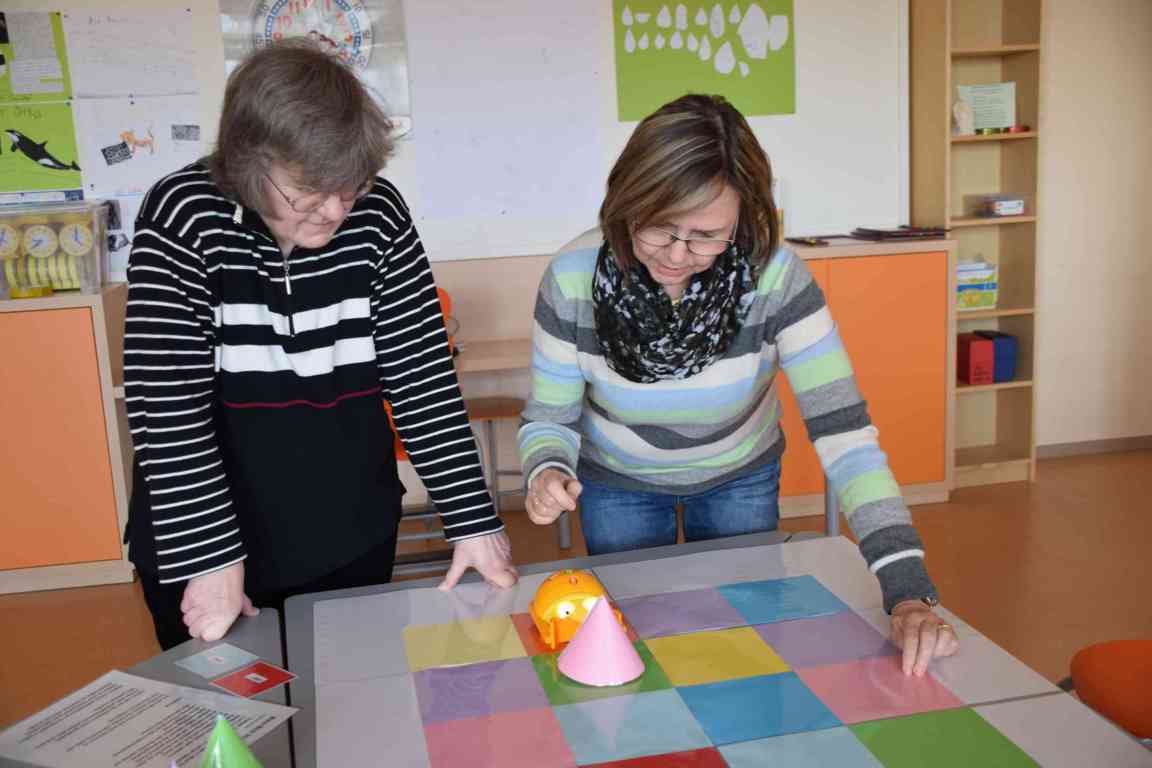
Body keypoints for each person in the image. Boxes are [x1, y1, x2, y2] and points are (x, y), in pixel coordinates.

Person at [519, 94, 958, 676]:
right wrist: (547, 468)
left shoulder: (774, 276)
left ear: (744, 219)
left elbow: (847, 437)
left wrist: (907, 589)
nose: (677, 256)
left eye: (706, 235)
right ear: (625, 202)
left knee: (744, 647)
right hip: (617, 484)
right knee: (630, 646)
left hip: (739, 478)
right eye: (657, 227)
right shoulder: (572, 276)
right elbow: (549, 418)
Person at [123, 40, 517, 650]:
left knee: (348, 697)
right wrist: (211, 558)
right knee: (227, 707)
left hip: (350, 531)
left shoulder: (378, 214)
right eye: (309, 189)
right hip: (212, 542)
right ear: (249, 162)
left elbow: (422, 378)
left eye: (350, 184)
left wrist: (472, 520)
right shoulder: (184, 215)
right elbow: (166, 403)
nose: (335, 209)